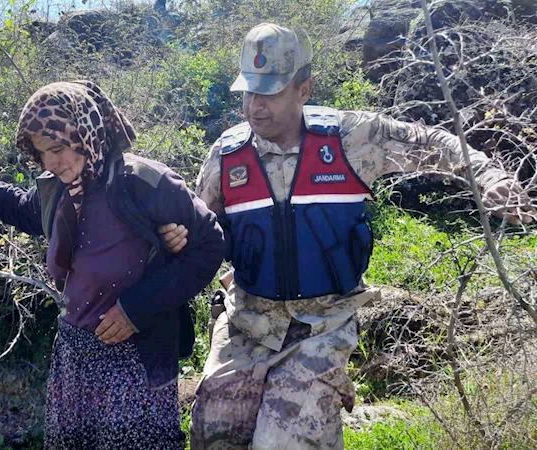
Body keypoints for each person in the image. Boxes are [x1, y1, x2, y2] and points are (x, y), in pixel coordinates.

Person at [158, 23, 536, 450]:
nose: (254, 106)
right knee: (215, 433)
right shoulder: (228, 154)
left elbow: (433, 142)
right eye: (248, 92)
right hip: (248, 321)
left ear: (304, 89)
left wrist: (489, 176)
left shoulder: (350, 139)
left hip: (322, 322)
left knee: (283, 441)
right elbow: (198, 223)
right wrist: (176, 237)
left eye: (269, 93)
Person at [0, 80, 224, 450]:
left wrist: (136, 309)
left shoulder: (144, 183)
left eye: (58, 148)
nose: (50, 162)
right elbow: (22, 209)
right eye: (41, 151)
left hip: (135, 355)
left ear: (85, 134)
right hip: (75, 353)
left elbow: (210, 244)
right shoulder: (60, 188)